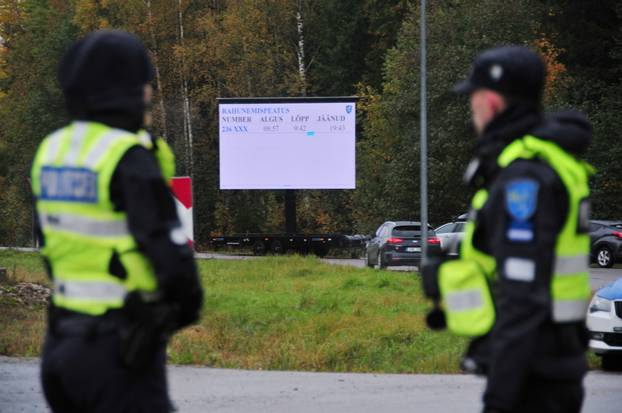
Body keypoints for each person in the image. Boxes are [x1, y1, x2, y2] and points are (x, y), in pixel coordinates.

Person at [31, 30, 203, 413]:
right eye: (145, 83)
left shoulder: (53, 150)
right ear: (128, 89)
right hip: (119, 350)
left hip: (61, 344)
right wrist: (177, 311)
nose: (150, 93)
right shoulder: (126, 156)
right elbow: (169, 257)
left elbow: (50, 243)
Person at [423, 46, 592, 413]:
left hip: (533, 377)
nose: (472, 108)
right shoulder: (546, 163)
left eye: (475, 97)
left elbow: (523, 298)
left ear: (494, 101)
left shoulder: (524, 181)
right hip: (551, 365)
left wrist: (499, 400)